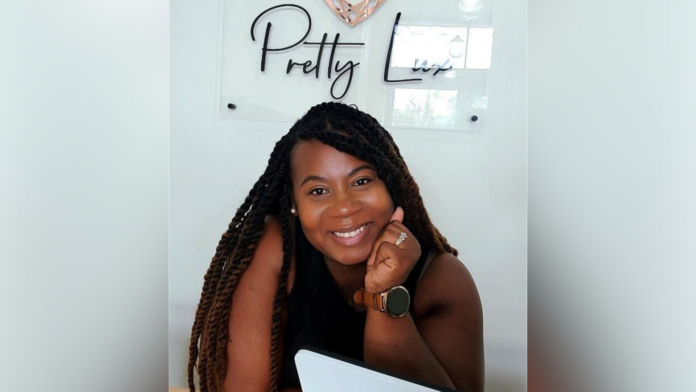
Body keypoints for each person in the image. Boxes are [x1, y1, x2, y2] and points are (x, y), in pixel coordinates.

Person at [187, 102, 484, 392]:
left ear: (392, 185)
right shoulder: (274, 249)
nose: (344, 207)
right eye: (318, 190)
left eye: (361, 181)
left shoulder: (444, 279)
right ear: (294, 203)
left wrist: (383, 295)